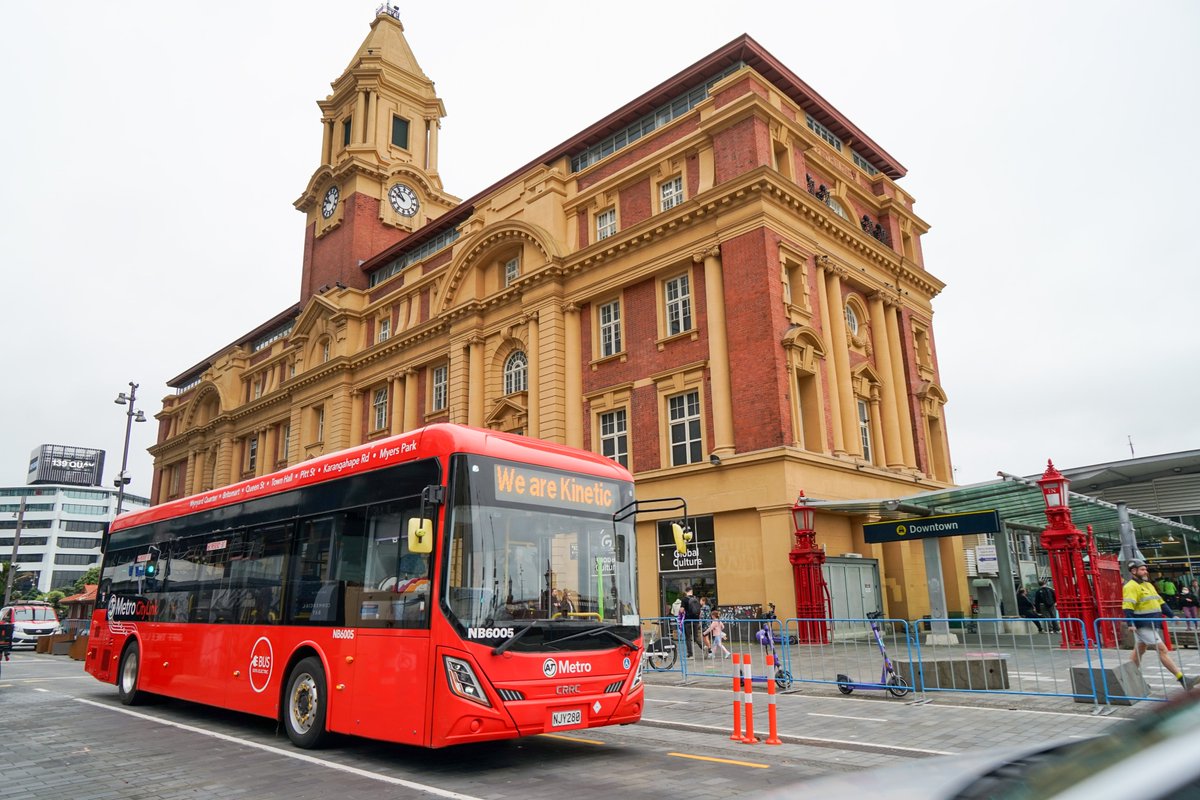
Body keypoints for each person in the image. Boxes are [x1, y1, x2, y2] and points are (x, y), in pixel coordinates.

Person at [1124, 560, 1193, 690]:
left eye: (1145, 569)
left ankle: (1128, 679)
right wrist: (1130, 622)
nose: (1145, 572)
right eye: (1142, 569)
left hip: (1152, 622)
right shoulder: (1130, 586)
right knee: (1162, 649)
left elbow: (1160, 602)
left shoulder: (1148, 585)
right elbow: (1128, 606)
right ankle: (1182, 679)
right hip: (1143, 624)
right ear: (1134, 571)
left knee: (1140, 650)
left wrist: (1172, 615)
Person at [680, 586, 705, 659]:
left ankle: (690, 655)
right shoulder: (696, 599)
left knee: (688, 637)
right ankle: (704, 647)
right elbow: (699, 611)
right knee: (696, 636)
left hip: (687, 620)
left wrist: (680, 611)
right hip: (696, 620)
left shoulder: (684, 599)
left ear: (685, 592)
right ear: (691, 591)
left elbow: (681, 610)